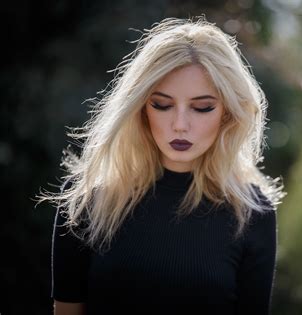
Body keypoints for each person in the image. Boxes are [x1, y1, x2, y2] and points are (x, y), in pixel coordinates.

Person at [38, 16, 286, 315]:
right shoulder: (85, 202)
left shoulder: (252, 215)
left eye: (202, 107)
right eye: (162, 104)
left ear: (229, 113)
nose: (179, 125)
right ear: (141, 108)